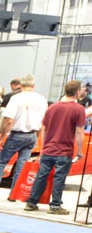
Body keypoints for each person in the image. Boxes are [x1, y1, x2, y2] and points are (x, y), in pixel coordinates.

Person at [25, 80, 86, 215]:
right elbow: (79, 131)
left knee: (41, 176)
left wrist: (43, 146)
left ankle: (31, 202)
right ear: (77, 92)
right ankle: (55, 205)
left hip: (48, 149)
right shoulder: (78, 109)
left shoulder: (52, 107)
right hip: (64, 151)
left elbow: (43, 128)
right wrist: (79, 150)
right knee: (59, 178)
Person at [0, 74, 48, 200]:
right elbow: (43, 122)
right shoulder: (41, 100)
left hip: (16, 135)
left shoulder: (16, 98)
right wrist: (36, 137)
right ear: (33, 85)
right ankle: (13, 194)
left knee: (1, 162)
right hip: (31, 135)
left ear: (21, 85)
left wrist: (4, 136)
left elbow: (8, 120)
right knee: (21, 166)